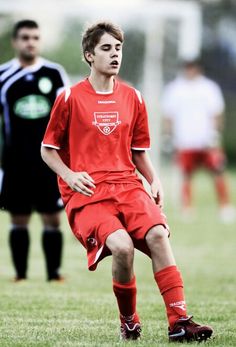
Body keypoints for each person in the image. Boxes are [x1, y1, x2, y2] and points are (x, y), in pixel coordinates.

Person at [41, 21, 213, 342]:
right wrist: (69, 175)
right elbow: (47, 149)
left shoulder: (133, 96)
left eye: (118, 48)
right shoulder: (69, 98)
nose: (114, 54)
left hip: (128, 187)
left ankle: (180, 321)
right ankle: (129, 321)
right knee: (121, 247)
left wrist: (154, 178)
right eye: (106, 48)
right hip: (89, 193)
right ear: (89, 55)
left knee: (160, 235)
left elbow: (138, 151)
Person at [0, 20, 70, 282]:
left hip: (49, 160)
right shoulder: (3, 75)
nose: (30, 42)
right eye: (25, 37)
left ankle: (54, 274)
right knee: (19, 218)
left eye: (35, 37)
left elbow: (67, 115)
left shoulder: (54, 73)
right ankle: (20, 274)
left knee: (52, 217)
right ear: (15, 42)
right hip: (15, 161)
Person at [162, 59, 236, 223]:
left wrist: (215, 133)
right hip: (185, 140)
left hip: (206, 140)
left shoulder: (208, 88)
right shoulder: (175, 89)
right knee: (186, 175)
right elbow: (168, 115)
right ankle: (187, 208)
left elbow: (216, 113)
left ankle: (225, 207)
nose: (190, 71)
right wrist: (168, 135)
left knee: (218, 171)